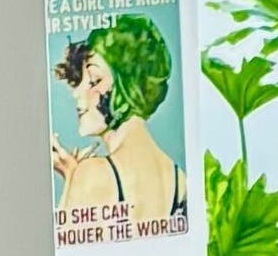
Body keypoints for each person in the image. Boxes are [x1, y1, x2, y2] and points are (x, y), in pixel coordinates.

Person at [50, 13, 182, 226]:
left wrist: (75, 179)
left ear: (130, 88)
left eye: (94, 80)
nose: (77, 93)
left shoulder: (92, 176)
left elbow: (63, 244)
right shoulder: (180, 180)